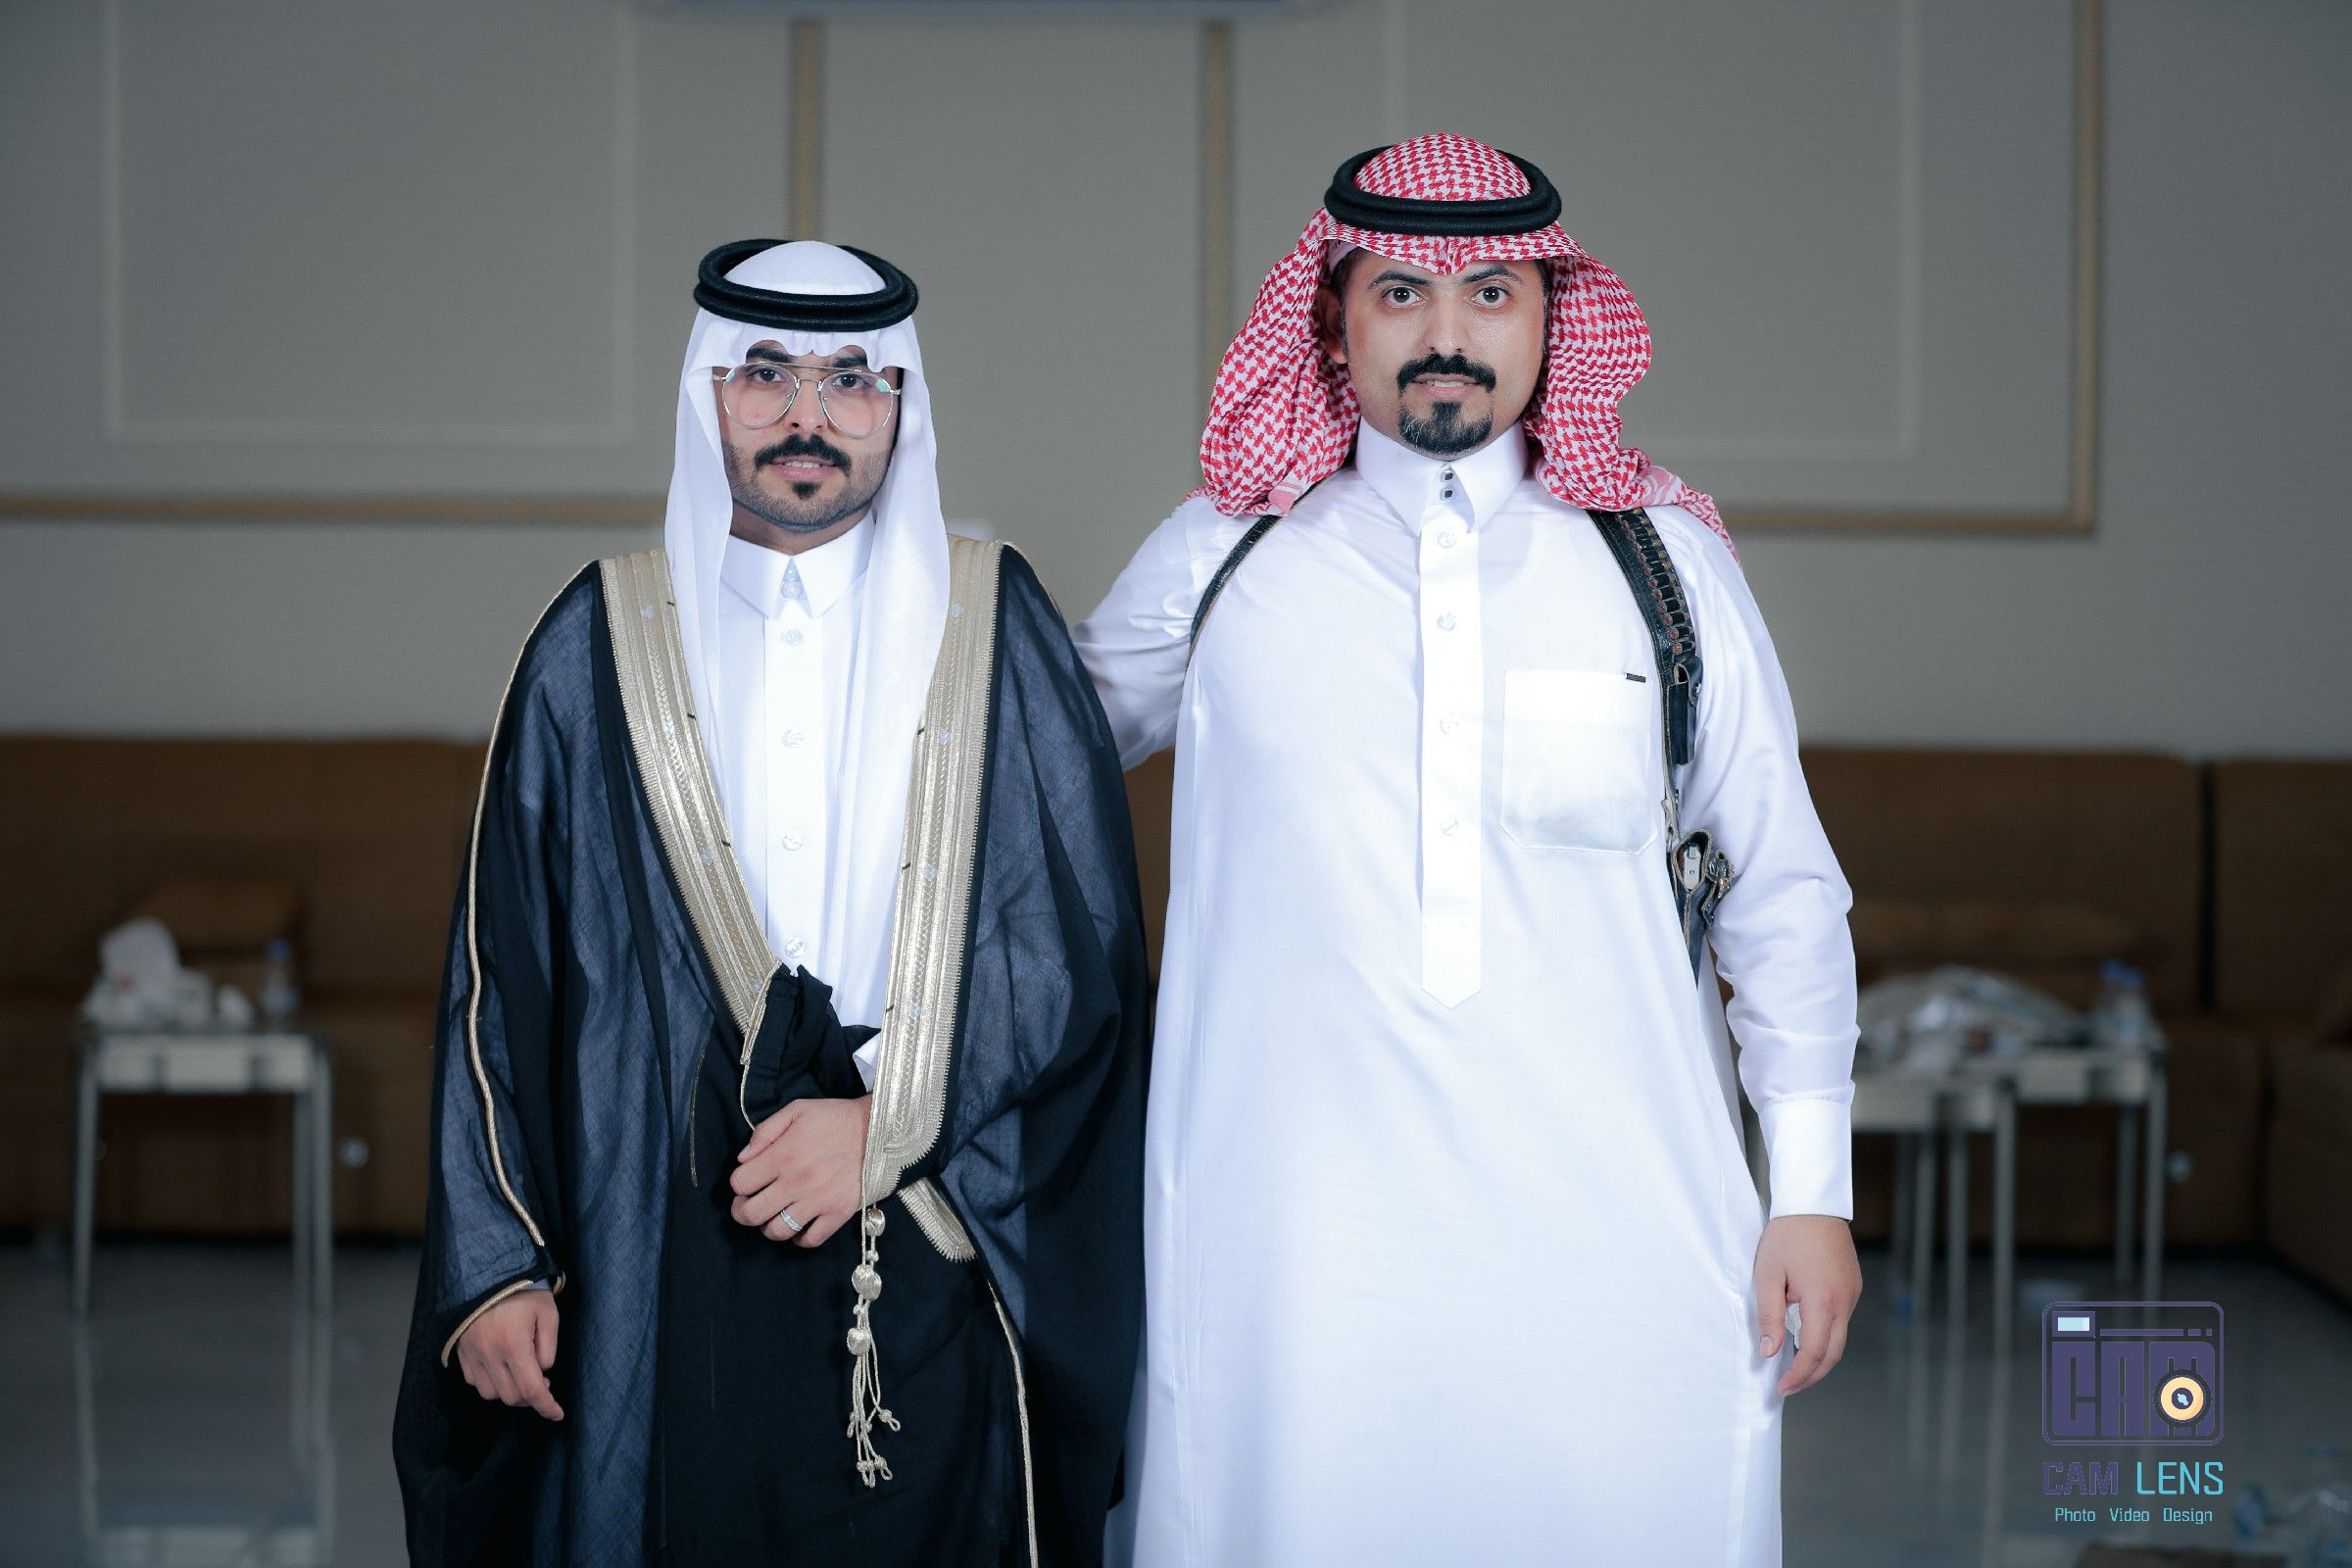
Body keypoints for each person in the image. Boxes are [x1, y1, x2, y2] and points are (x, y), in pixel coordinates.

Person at [1074, 134, 1862, 1566]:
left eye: (1491, 294)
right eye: (1402, 294)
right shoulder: (1224, 556)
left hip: (1615, 1237)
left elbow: (1781, 888)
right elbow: (1022, 770)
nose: (1447, 335)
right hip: (1292, 1250)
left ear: (1553, 319)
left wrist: (1810, 1193)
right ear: (1333, 323)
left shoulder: (1661, 568)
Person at [393, 239, 1149, 1567]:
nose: (810, 414)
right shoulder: (594, 641)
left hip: (932, 1223)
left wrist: (886, 1121)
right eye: (767, 375)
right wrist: (496, 1263)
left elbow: (1072, 942)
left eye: (853, 378)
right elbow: (499, 973)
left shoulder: (991, 620)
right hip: (656, 1241)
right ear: (709, 395)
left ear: (901, 405)